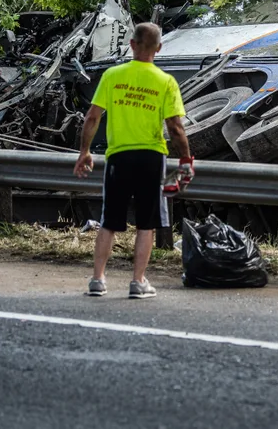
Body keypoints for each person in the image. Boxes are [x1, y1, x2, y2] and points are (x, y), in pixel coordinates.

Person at [73, 22, 194, 299]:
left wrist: (85, 152)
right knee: (146, 223)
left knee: (109, 221)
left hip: (119, 157)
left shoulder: (113, 75)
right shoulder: (166, 82)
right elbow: (176, 127)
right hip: (151, 157)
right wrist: (186, 159)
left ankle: (97, 280)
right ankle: (138, 282)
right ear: (159, 48)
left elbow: (92, 116)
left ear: (132, 44)